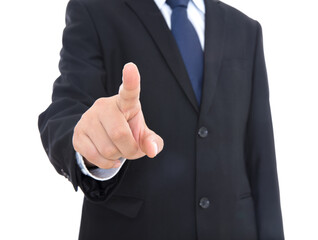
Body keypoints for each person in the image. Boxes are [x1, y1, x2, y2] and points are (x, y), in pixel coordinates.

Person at [38, 0, 284, 239]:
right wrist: (91, 144)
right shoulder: (94, 10)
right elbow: (66, 110)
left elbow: (260, 151)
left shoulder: (245, 29)